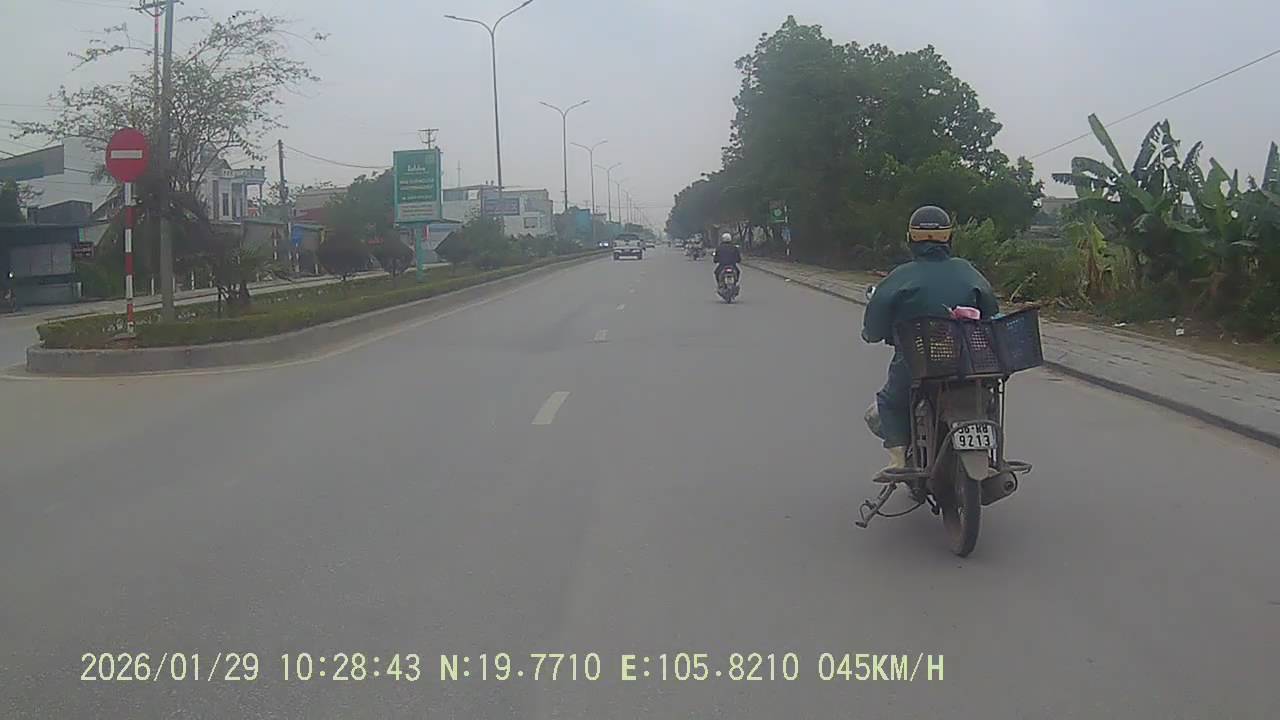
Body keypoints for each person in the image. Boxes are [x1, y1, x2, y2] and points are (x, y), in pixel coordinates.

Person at [861, 206, 998, 477]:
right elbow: (991, 309)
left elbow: (875, 323)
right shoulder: (966, 270)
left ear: (910, 239)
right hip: (967, 360)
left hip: (917, 361)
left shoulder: (901, 275)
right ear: (949, 238)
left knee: (890, 402)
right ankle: (991, 453)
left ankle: (898, 461)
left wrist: (872, 334)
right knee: (987, 397)